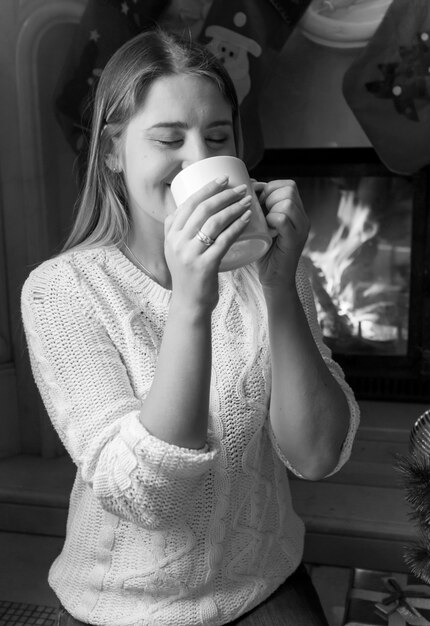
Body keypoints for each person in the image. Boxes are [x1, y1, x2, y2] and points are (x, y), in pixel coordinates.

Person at [21, 29, 360, 626]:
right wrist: (191, 303)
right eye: (169, 139)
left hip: (263, 578)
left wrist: (279, 286)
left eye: (220, 137)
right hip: (125, 604)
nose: (200, 162)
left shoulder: (274, 269)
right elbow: (150, 500)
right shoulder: (61, 291)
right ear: (111, 153)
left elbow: (316, 455)